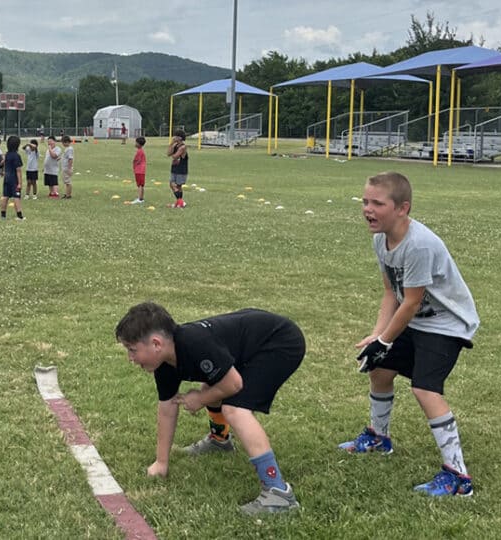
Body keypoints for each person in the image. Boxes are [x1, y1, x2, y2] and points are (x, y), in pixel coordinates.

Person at [339, 172, 479, 497]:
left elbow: (412, 302)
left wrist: (385, 340)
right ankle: (379, 437)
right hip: (415, 320)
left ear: (403, 208)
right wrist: (377, 337)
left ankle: (459, 478)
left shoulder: (418, 245)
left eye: (377, 203)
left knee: (425, 390)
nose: (367, 209)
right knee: (380, 369)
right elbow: (392, 292)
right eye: (365, 201)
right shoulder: (381, 239)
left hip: (446, 324)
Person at [115, 302, 305, 515]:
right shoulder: (165, 364)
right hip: (252, 342)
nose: (130, 358)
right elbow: (167, 408)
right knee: (214, 384)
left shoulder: (195, 344)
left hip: (280, 341)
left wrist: (201, 398)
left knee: (234, 408)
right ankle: (219, 441)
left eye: (132, 350)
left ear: (156, 344)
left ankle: (278, 493)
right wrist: (161, 462)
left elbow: (233, 384)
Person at [0, 136, 25, 221]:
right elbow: (18, 170)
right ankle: (19, 215)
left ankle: (3, 215)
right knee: (16, 196)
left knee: (5, 196)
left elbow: (3, 164)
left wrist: (3, 171)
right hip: (13, 178)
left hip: (6, 177)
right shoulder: (16, 156)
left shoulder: (7, 154)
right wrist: (20, 183)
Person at [167, 130, 188, 209]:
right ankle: (180, 203)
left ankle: (180, 202)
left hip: (181, 168)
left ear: (180, 138)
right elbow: (168, 153)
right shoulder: (175, 145)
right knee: (173, 184)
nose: (174, 137)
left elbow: (175, 156)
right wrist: (171, 144)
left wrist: (173, 152)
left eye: (176, 136)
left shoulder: (183, 147)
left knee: (177, 185)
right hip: (175, 168)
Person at [131, 136, 147, 204]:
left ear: (139, 144)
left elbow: (137, 160)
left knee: (140, 185)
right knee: (141, 184)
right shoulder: (140, 151)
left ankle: (139, 199)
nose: (135, 143)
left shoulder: (140, 152)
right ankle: (141, 198)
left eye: (136, 142)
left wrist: (134, 165)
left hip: (139, 170)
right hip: (141, 170)